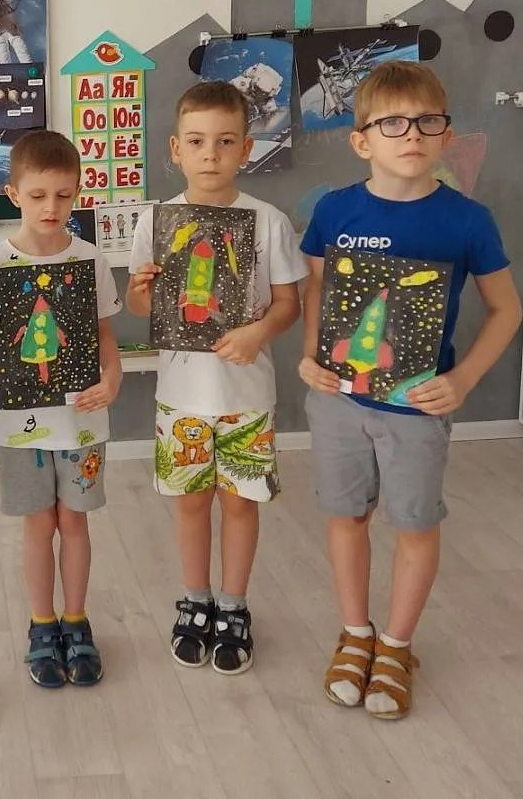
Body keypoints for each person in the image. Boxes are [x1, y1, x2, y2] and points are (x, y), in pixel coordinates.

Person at [298, 61, 520, 720]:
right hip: (338, 400)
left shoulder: (467, 220)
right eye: (392, 123)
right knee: (347, 516)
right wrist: (310, 357)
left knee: (415, 523)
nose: (412, 134)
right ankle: (355, 634)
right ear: (361, 140)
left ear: (446, 134)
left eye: (427, 121)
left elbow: (507, 309)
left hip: (417, 408)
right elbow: (318, 291)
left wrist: (463, 378)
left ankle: (396, 646)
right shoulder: (334, 210)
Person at [126, 82, 307, 676]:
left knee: (240, 504)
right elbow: (140, 306)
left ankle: (233, 604)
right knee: (189, 504)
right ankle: (195, 599)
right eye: (198, 142)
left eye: (226, 142)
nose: (211, 154)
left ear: (246, 149)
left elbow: (289, 304)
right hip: (180, 399)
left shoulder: (268, 221)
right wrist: (142, 290)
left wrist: (259, 332)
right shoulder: (155, 221)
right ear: (175, 149)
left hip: (246, 397)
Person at [0, 129, 122, 688]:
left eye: (63, 194)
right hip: (18, 425)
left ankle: (76, 620)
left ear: (77, 192)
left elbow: (104, 335)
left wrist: (113, 379)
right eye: (37, 195)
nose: (51, 207)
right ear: (14, 194)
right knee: (39, 523)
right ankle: (41, 622)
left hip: (81, 418)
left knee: (74, 521)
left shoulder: (90, 259)